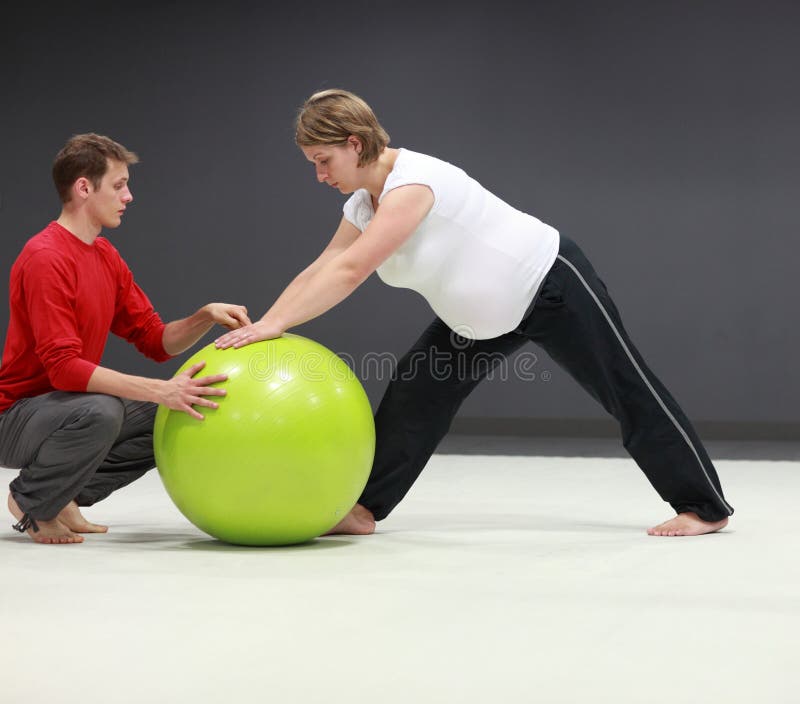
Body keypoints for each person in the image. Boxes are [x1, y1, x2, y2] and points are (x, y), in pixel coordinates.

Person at [215, 89, 734, 538]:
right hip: (477, 322)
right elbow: (325, 264)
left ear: (355, 144)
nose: (319, 174)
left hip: (548, 284)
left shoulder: (413, 184)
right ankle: (364, 509)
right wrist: (268, 323)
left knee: (627, 389)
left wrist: (277, 326)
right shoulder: (362, 205)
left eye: (323, 159)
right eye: (311, 163)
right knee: (414, 398)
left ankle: (704, 507)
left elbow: (351, 271)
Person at [0, 133, 251, 545]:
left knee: (176, 413)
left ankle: (61, 495)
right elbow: (63, 369)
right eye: (119, 185)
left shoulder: (105, 256)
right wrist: (159, 389)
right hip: (15, 417)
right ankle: (32, 500)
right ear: (84, 187)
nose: (129, 196)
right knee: (101, 411)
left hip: (65, 411)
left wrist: (204, 316)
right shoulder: (45, 257)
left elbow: (155, 340)